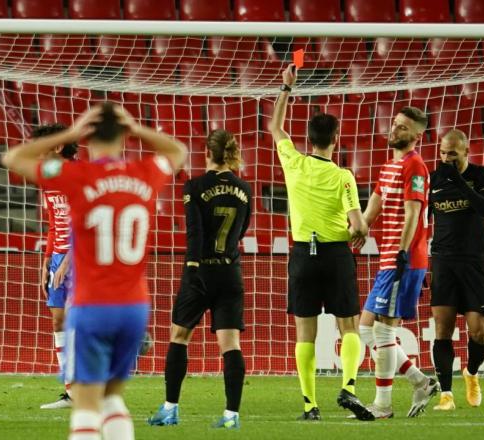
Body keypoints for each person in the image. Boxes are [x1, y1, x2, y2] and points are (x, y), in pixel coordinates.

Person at [1, 103, 187, 440]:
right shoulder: (144, 174)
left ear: (87, 135)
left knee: (86, 407)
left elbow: (12, 159)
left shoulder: (79, 175)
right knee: (113, 399)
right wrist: (137, 128)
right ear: (124, 135)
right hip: (134, 307)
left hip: (92, 304)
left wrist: (71, 133)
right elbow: (179, 150)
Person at [269, 64, 372, 422]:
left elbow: (275, 127)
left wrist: (286, 87)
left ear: (309, 139)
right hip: (336, 254)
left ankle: (310, 406)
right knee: (349, 327)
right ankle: (349, 386)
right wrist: (359, 232)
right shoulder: (344, 176)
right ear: (336, 138)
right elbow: (358, 224)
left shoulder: (294, 163)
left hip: (302, 254)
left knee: (305, 332)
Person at [148, 129, 251, 429]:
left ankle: (170, 409)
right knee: (230, 344)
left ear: (206, 152)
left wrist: (193, 268)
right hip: (230, 272)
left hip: (201, 270)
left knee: (179, 336)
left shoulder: (194, 186)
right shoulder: (244, 188)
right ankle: (231, 416)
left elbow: (195, 233)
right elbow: (242, 229)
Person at [358, 106, 439, 419]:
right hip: (388, 258)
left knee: (382, 333)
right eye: (394, 124)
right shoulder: (389, 165)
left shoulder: (415, 166)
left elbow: (413, 213)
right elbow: (374, 204)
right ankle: (420, 381)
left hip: (403, 259)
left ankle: (382, 405)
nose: (395, 130)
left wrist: (402, 252)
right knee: (366, 329)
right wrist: (360, 228)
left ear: (416, 136)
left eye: (403, 128)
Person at [429, 129, 484, 411]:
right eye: (443, 153)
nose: (446, 159)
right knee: (442, 328)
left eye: (452, 154)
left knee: (479, 332)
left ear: (466, 152)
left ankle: (471, 372)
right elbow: (421, 218)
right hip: (443, 261)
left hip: (473, 262)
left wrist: (459, 183)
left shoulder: (483, 175)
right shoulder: (433, 180)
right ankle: (446, 394)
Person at [32, 124, 78, 409]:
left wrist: (69, 260)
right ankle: (71, 391)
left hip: (81, 256)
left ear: (58, 146)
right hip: (59, 257)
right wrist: (48, 258)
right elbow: (54, 222)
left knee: (77, 323)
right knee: (58, 320)